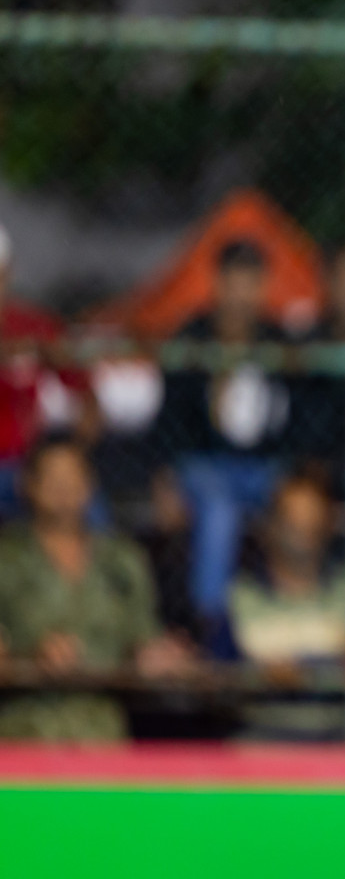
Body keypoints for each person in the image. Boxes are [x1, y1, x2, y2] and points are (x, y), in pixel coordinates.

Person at [0, 434, 192, 740]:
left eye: (73, 476)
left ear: (90, 484)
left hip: (101, 735)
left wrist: (157, 657)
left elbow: (141, 640)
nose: (64, 488)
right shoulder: (7, 558)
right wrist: (28, 659)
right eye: (52, 477)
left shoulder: (122, 559)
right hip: (23, 734)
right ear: (27, 485)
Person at [151, 239, 291, 631]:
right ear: (218, 285)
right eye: (234, 285)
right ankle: (210, 622)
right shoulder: (190, 339)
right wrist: (165, 478)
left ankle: (288, 613)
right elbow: (168, 419)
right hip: (205, 465)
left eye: (252, 285)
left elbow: (296, 422)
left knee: (294, 505)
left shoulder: (281, 344)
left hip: (265, 467)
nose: (242, 297)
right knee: (217, 507)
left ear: (264, 288)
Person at [226, 471, 345, 741]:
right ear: (271, 526)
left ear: (327, 525)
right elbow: (220, 669)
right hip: (261, 738)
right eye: (292, 520)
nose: (302, 530)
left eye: (311, 519)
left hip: (336, 738)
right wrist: (259, 674)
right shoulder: (241, 593)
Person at [0, 222, 100, 520]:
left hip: (32, 465)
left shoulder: (34, 328)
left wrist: (67, 458)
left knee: (87, 507)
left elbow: (88, 400)